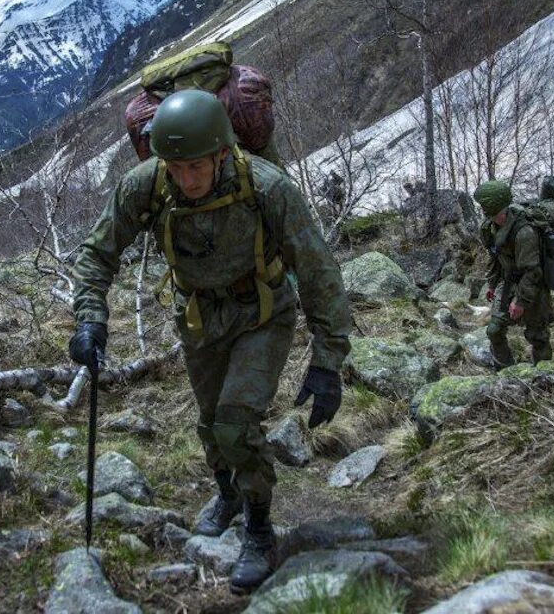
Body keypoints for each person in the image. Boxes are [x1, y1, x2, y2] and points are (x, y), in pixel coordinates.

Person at [68, 89, 352, 593]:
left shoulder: (264, 186)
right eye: (174, 168)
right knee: (209, 422)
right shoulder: (150, 183)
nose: (185, 179)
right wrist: (91, 319)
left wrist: (328, 360)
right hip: (199, 316)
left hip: (262, 313)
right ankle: (228, 493)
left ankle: (260, 527)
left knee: (235, 420)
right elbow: (97, 253)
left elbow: (318, 269)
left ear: (222, 152)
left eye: (195, 167)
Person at [473, 179, 551, 367]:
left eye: (485, 205)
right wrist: (492, 284)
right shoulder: (489, 228)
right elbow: (496, 257)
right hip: (507, 283)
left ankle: (546, 377)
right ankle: (505, 370)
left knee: (537, 336)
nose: (483, 209)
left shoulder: (524, 232)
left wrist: (520, 301)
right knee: (494, 330)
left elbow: (533, 271)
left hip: (533, 286)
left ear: (496, 204)